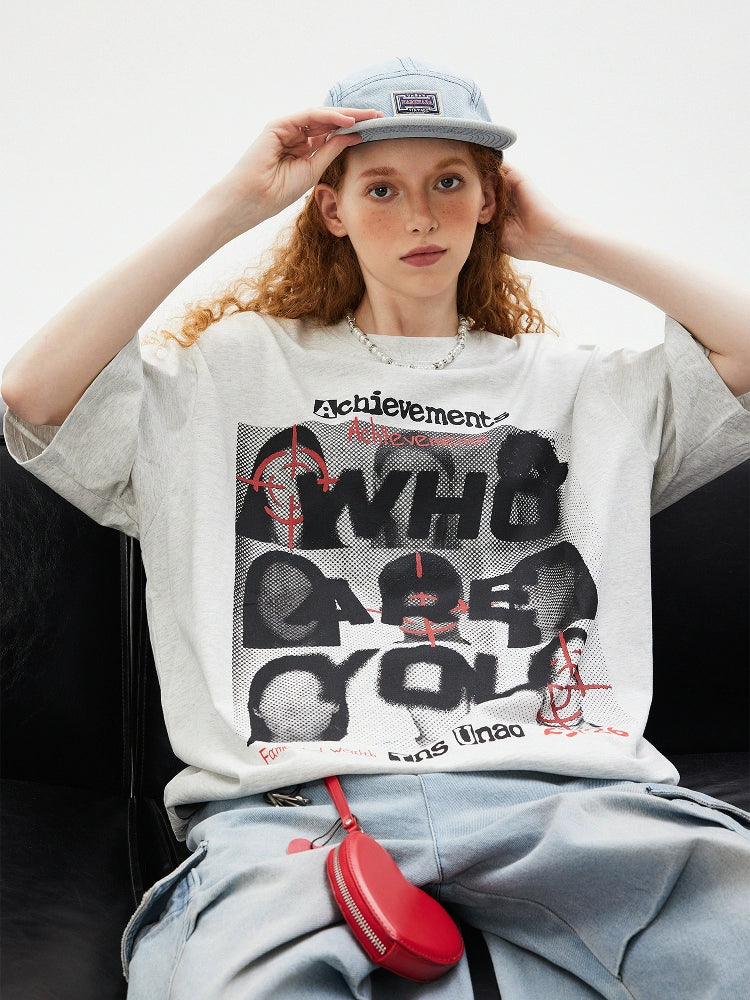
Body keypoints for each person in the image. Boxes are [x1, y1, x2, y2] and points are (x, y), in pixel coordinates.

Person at [3, 56, 750, 999]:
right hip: (301, 813)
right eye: (382, 189)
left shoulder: (580, 386)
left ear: (490, 200)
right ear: (331, 209)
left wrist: (563, 240)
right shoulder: (235, 372)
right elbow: (35, 397)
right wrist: (233, 207)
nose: (421, 217)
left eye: (450, 182)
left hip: (566, 798)